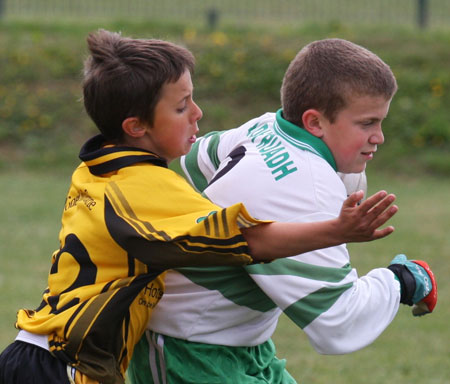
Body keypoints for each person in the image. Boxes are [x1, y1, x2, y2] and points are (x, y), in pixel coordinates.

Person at [0, 32, 400, 384]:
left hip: (44, 350)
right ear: (136, 126)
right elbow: (250, 240)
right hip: (63, 367)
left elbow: (202, 162)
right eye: (181, 107)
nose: (198, 114)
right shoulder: (145, 191)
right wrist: (338, 230)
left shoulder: (99, 172)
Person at [128, 38, 438, 384]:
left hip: (238, 342)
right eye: (366, 123)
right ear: (315, 123)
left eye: (380, 122)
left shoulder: (265, 127)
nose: (378, 137)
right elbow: (338, 322)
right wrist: (403, 280)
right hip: (189, 351)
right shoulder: (307, 186)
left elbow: (189, 165)